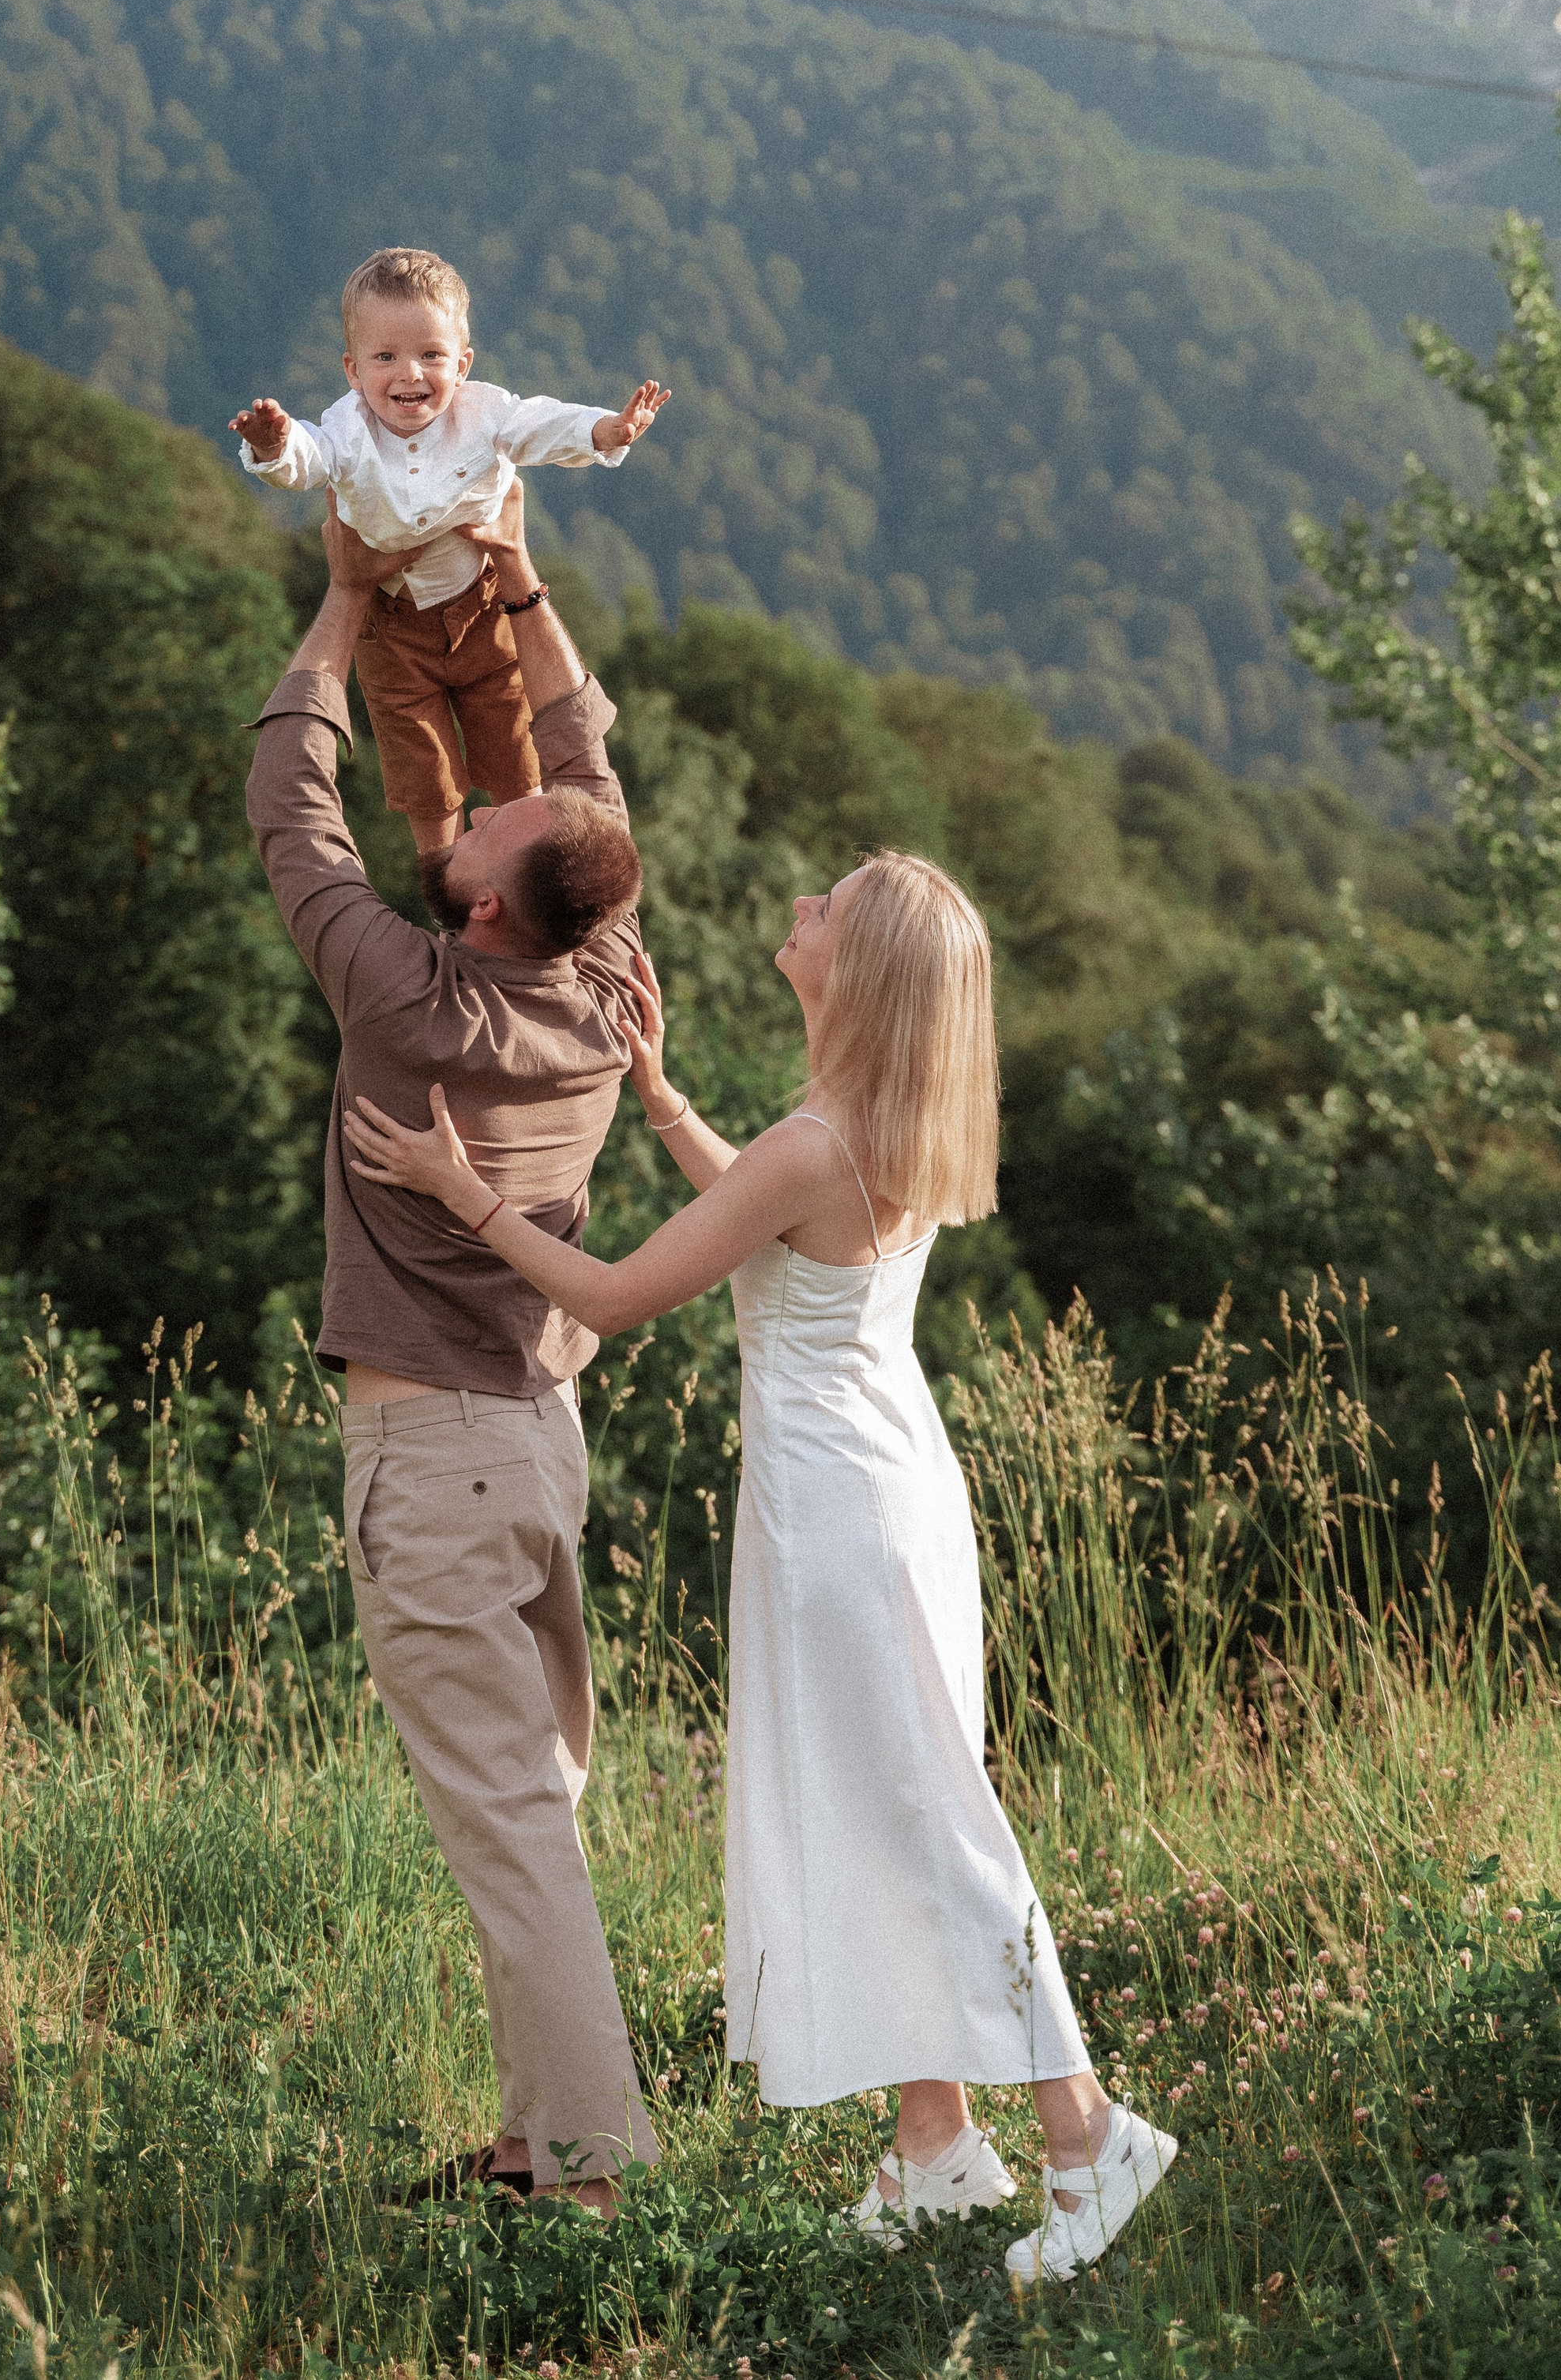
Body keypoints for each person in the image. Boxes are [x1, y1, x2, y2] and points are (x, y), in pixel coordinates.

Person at [341, 854, 1179, 2287]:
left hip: (842, 1517)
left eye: (828, 907)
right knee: (889, 1808)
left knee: (931, 1825)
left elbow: (615, 1295)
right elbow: (770, 1226)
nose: (801, 907)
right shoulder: (865, 1127)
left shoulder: (815, 1143)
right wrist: (662, 1095)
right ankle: (935, 2144)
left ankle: (1089, 2135)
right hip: (885, 1487)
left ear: (865, 971)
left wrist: (460, 1191)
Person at [244, 475, 659, 2213]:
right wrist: (521, 582)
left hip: (434, 1458)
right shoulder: (600, 976)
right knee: (528, 1804)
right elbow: (583, 761)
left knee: (509, 1825)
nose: (482, 805)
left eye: (493, 825)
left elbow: (291, 804)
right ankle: (525, 2141)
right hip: (538, 1446)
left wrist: (346, 602)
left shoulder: (411, 997)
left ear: (488, 902)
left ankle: (585, 2176)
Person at [231, 243, 670, 860]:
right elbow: (309, 457)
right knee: (425, 778)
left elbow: (543, 425)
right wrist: (274, 446)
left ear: (462, 364)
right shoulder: (348, 428)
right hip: (391, 627)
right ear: (353, 370)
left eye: (431, 355)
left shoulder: (485, 413)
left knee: (515, 756)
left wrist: (607, 430)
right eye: (385, 357)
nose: (410, 373)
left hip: (484, 608)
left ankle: (522, 870)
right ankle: (444, 881)